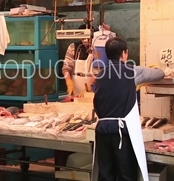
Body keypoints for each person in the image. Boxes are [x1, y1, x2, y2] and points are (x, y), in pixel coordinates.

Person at [92, 37, 165, 181]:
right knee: (126, 175)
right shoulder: (132, 71)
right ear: (124, 53)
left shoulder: (99, 75)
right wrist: (156, 68)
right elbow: (159, 74)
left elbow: (98, 102)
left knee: (106, 175)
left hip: (102, 132)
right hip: (121, 134)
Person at [62, 23, 98, 96]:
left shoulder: (98, 49)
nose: (85, 40)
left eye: (87, 37)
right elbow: (66, 67)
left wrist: (90, 84)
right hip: (76, 90)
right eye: (82, 38)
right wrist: (69, 82)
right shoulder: (73, 47)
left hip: (93, 90)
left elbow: (100, 71)